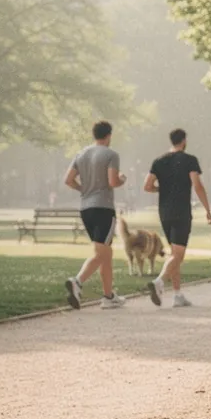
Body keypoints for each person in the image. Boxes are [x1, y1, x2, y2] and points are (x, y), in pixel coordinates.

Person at [143, 128, 211, 308]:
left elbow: (148, 186)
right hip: (181, 211)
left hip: (164, 212)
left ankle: (177, 294)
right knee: (178, 255)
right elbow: (197, 185)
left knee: (174, 254)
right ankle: (159, 282)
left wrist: (162, 189)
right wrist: (207, 209)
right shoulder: (190, 160)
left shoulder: (159, 161)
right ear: (183, 141)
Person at [63, 120, 127, 310]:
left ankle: (108, 296)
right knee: (102, 253)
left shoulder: (81, 154)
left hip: (86, 209)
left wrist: (84, 189)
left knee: (105, 252)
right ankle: (78, 281)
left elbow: (68, 180)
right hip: (104, 208)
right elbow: (112, 181)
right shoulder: (111, 154)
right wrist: (122, 179)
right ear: (109, 136)